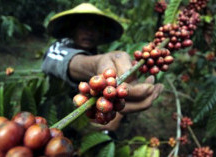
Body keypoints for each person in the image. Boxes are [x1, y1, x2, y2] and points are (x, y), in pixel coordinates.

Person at [42, 3, 164, 131]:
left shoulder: (95, 52)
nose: (89, 32)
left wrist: (116, 111)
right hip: (55, 116)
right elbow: (61, 62)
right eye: (84, 26)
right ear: (72, 29)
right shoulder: (59, 47)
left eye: (95, 28)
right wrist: (97, 62)